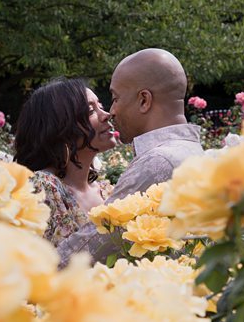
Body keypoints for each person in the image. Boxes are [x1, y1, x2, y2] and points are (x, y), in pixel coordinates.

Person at [56, 48, 204, 264]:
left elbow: (92, 247)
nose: (111, 111)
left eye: (115, 99)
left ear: (144, 100)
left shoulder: (158, 162)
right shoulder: (195, 153)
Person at [14, 78, 116, 246]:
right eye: (91, 110)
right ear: (60, 126)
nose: (106, 115)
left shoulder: (106, 190)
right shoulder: (42, 188)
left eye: (101, 107)